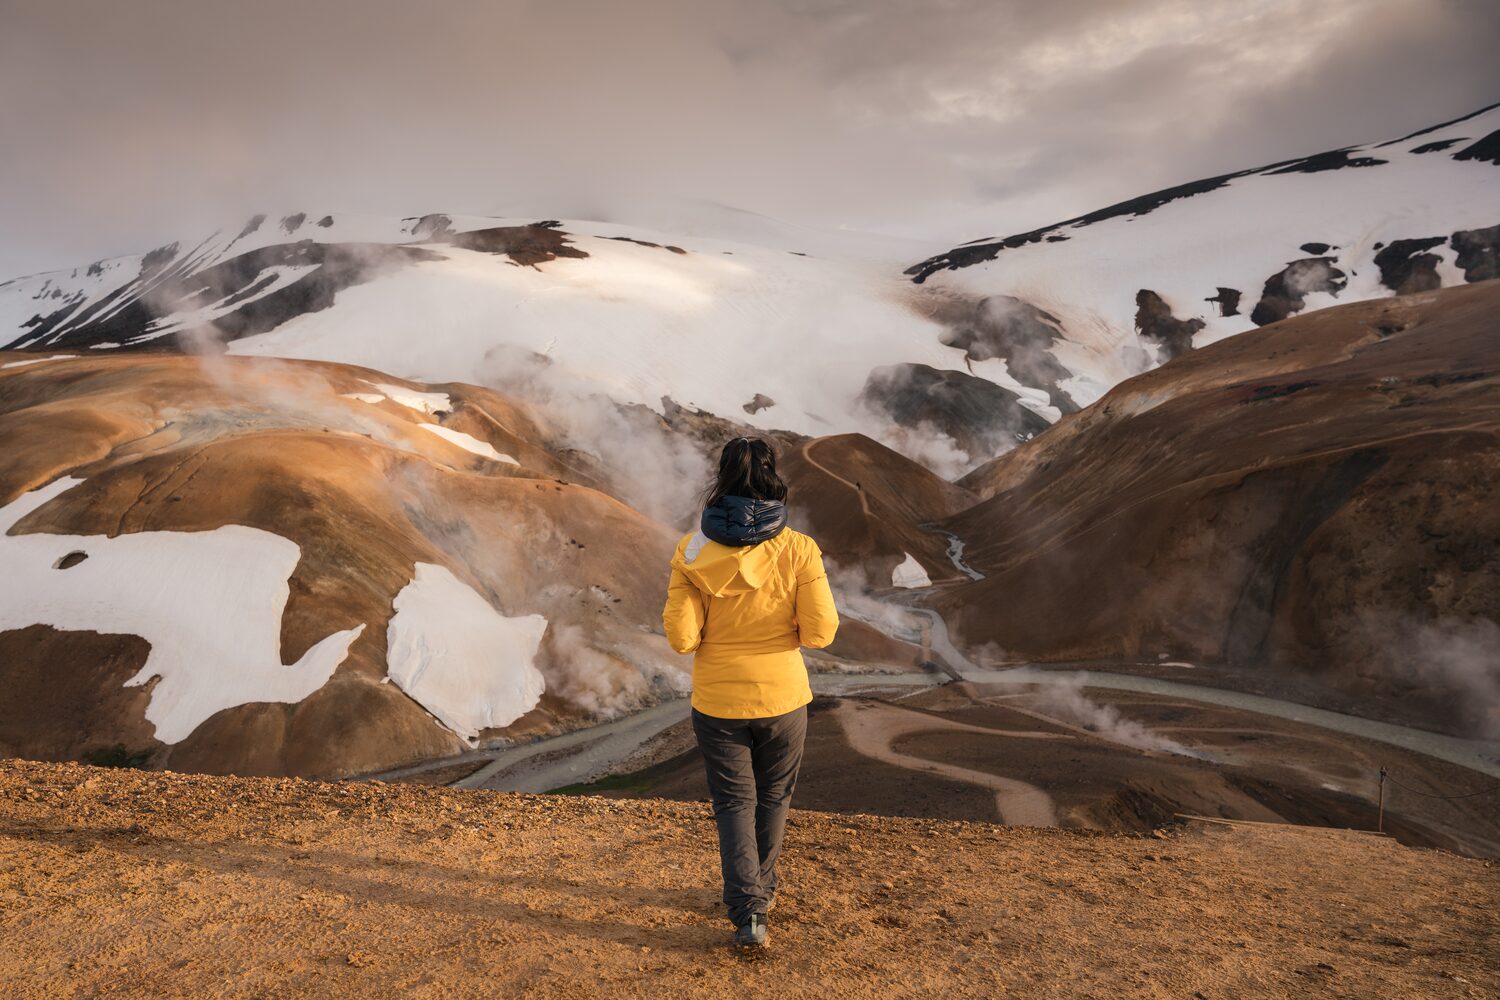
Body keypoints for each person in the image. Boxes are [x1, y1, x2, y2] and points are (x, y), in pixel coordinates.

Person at [662, 436, 839, 949]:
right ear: (771, 478)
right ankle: (762, 892)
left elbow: (681, 639)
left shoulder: (692, 550)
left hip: (717, 702)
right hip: (783, 697)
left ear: (721, 478)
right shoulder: (800, 549)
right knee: (774, 797)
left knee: (734, 802)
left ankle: (749, 913)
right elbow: (821, 632)